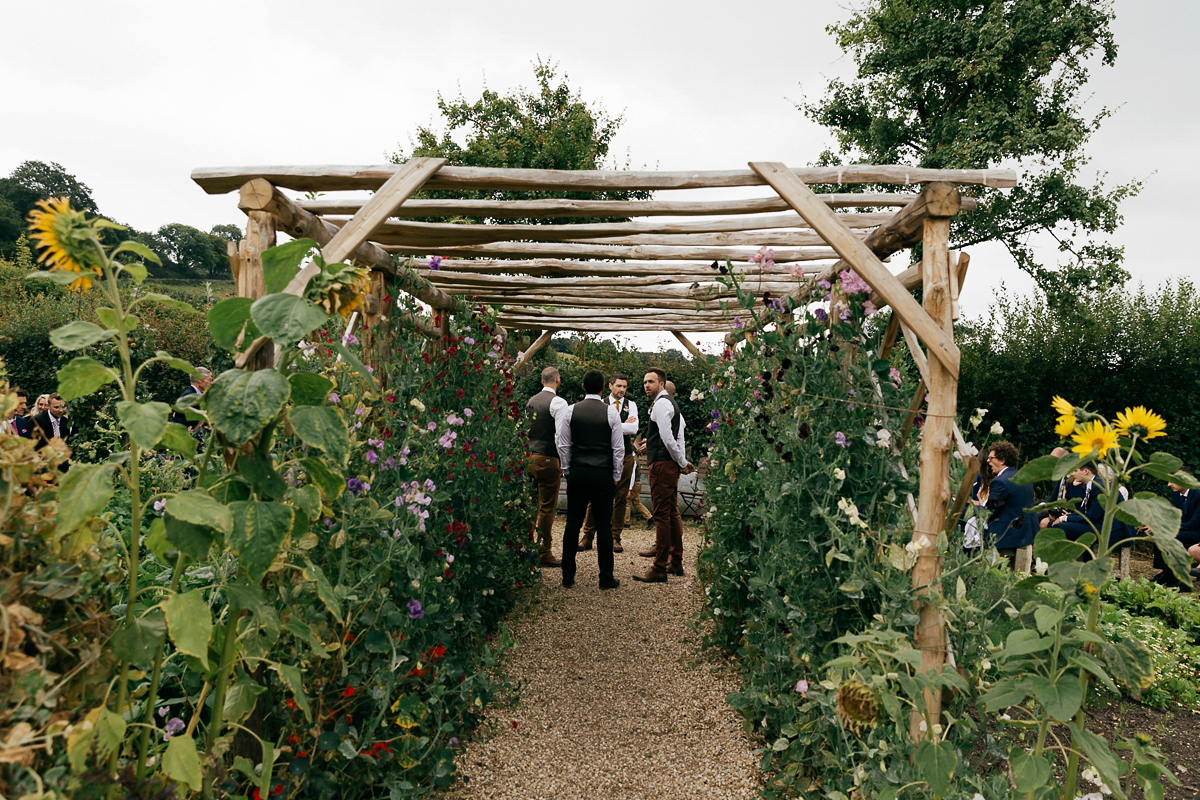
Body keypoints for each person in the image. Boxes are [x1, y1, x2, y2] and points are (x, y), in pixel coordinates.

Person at [555, 369, 624, 590]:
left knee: (572, 523)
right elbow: (618, 449)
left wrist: (567, 469)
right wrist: (616, 475)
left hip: (579, 472)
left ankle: (567, 575)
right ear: (604, 388)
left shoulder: (570, 411)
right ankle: (605, 577)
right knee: (604, 525)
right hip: (603, 473)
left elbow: (563, 444)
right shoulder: (611, 413)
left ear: (583, 387)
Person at [634, 368, 694, 583]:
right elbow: (680, 436)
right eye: (644, 382)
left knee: (661, 516)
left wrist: (681, 462)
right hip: (670, 465)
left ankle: (659, 567)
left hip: (661, 465)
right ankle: (676, 561)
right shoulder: (672, 404)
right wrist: (682, 461)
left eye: (651, 381)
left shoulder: (661, 404)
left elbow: (669, 439)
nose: (646, 385)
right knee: (671, 514)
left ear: (661, 383)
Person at [576, 373, 638, 554]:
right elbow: (603, 426)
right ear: (609, 386)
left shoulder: (631, 405)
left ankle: (615, 537)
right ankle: (588, 536)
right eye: (619, 386)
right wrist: (621, 424)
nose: (622, 390)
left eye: (625, 387)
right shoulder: (600, 403)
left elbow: (633, 428)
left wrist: (612, 425)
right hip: (604, 456)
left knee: (620, 497)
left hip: (626, 455)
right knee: (595, 496)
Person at [525, 367, 568, 567]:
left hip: (528, 458)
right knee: (547, 508)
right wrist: (563, 462)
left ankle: (525, 548)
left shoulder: (530, 401)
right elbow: (560, 436)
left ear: (542, 381)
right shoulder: (558, 402)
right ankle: (544, 552)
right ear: (557, 380)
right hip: (548, 459)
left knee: (529, 506)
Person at [979, 441, 1036, 569]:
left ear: (1002, 460)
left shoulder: (1000, 482)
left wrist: (975, 507)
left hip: (1006, 536)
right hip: (1025, 533)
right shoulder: (1023, 477)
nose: (988, 461)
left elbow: (989, 510)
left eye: (991, 458)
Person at [1151, 476, 1200, 588]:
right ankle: (1167, 574)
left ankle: (1182, 581)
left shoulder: (1198, 494)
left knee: (1176, 538)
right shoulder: (1176, 493)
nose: (1169, 484)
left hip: (1197, 531)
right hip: (1187, 529)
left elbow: (1194, 523)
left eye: (1172, 481)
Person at [31, 393, 73, 469]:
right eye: (56, 407)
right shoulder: (37, 420)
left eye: (63, 407)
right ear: (49, 406)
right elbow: (36, 446)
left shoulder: (65, 421)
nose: (60, 410)